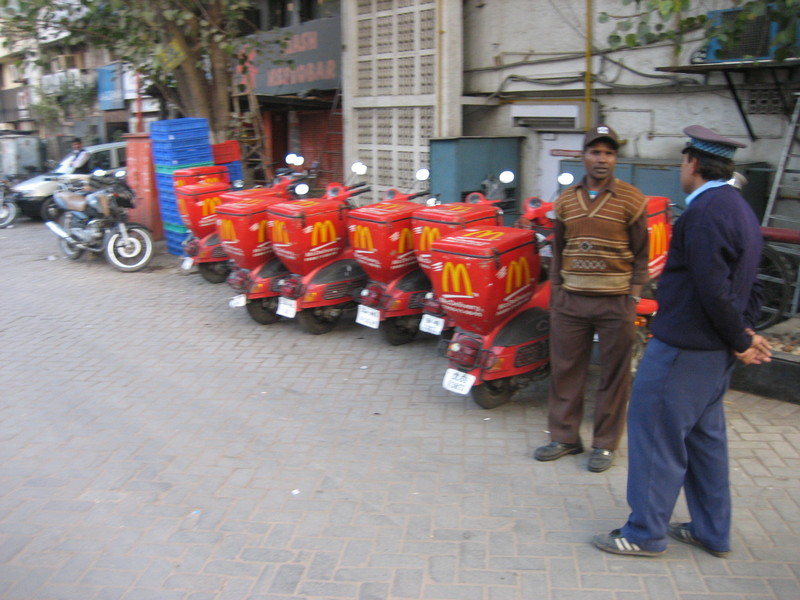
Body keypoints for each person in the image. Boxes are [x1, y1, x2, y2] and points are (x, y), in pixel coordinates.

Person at [592, 125, 772, 558]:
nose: (681, 169)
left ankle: (644, 532)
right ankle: (712, 531)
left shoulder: (705, 212)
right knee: (704, 444)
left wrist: (740, 338)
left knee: (656, 436)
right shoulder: (739, 207)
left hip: (685, 351)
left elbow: (713, 288)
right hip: (712, 356)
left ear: (692, 164)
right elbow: (749, 281)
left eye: (681, 162)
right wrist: (743, 333)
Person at [534, 125, 650, 473]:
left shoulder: (632, 199)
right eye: (595, 152)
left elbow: (641, 253)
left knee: (614, 375)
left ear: (615, 158)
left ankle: (605, 444)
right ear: (583, 156)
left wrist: (633, 297)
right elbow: (558, 248)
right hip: (571, 301)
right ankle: (565, 437)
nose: (602, 159)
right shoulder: (566, 200)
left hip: (615, 302)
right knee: (566, 371)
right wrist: (556, 293)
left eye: (609, 153)